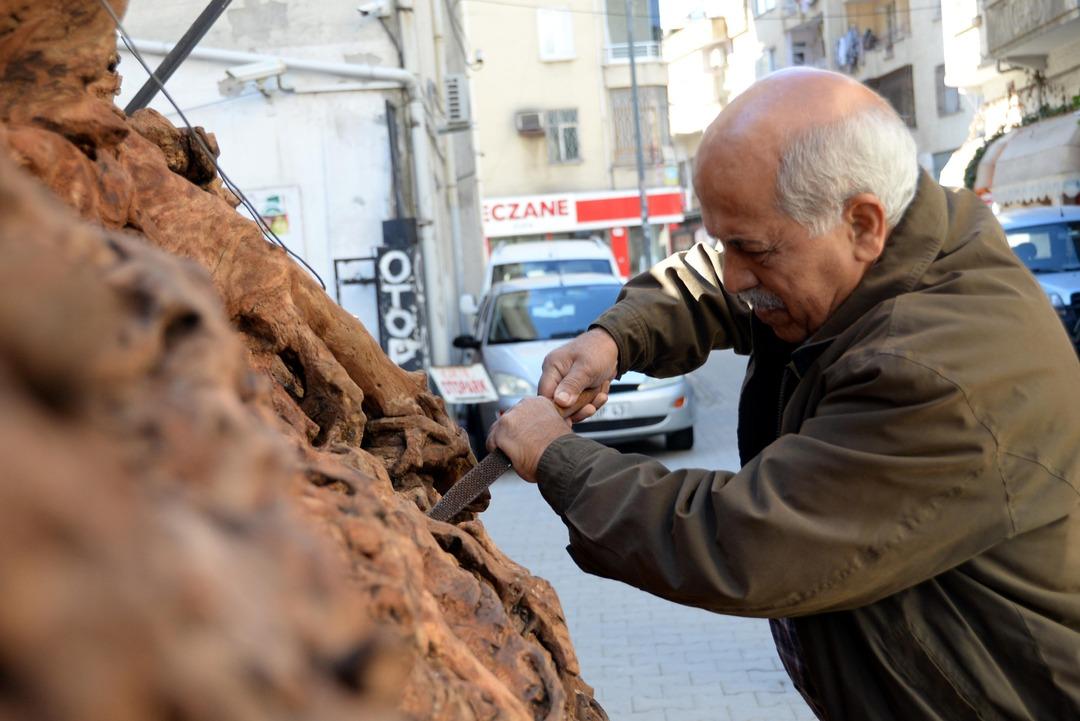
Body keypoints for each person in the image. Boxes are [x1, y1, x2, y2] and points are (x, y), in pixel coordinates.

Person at [486, 68, 1080, 720]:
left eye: (753, 249)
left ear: (863, 224)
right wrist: (614, 338)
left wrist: (557, 457)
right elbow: (714, 279)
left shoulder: (937, 374)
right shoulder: (898, 239)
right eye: (724, 242)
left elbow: (741, 539)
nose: (735, 275)